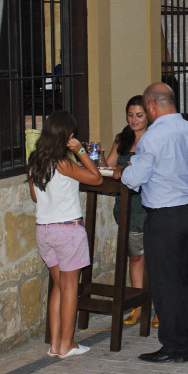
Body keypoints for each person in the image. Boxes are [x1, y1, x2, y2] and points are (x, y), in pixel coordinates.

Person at [120, 82, 188, 363]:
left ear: (151, 106)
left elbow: (135, 179)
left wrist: (124, 172)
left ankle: (174, 346)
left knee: (164, 282)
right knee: (183, 277)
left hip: (166, 216)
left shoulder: (152, 137)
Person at [27, 111, 103, 358]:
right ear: (67, 136)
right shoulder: (65, 163)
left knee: (59, 286)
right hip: (68, 231)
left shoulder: (36, 161)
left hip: (44, 231)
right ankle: (67, 345)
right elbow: (96, 178)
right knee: (70, 287)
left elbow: (35, 196)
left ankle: (54, 344)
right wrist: (81, 151)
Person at [104, 95, 159, 328]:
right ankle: (137, 305)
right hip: (128, 207)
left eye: (139, 115)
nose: (134, 120)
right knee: (135, 257)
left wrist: (125, 169)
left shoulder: (155, 139)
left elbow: (157, 169)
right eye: (130, 115)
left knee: (156, 260)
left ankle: (160, 308)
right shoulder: (122, 139)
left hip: (151, 205)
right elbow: (108, 165)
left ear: (148, 115)